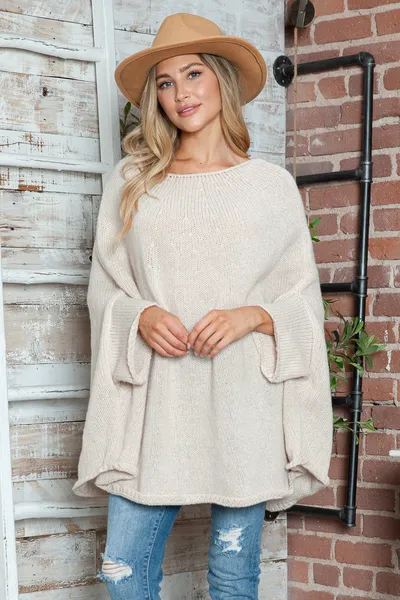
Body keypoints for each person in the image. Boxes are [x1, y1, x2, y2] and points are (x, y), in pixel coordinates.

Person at [72, 12, 333, 599]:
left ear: (221, 80)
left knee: (233, 576)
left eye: (193, 74)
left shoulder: (270, 187)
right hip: (156, 400)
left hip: (243, 403)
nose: (180, 93)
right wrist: (140, 315)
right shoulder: (133, 181)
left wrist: (251, 316)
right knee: (124, 569)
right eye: (165, 82)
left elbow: (301, 303)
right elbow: (105, 288)